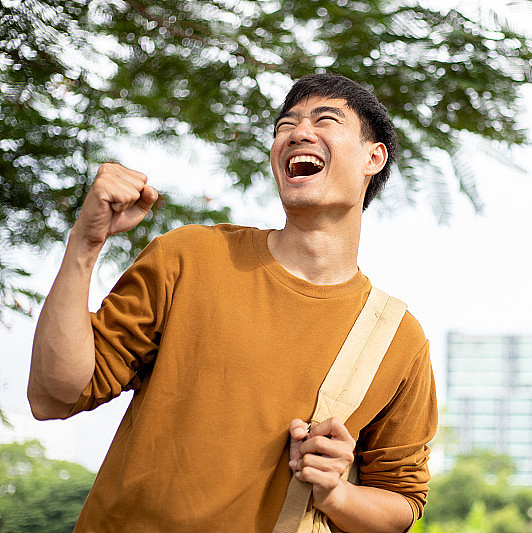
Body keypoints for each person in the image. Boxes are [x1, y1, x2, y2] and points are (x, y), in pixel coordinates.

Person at [28, 73, 438, 532]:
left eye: (326, 120)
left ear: (373, 157)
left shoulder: (395, 337)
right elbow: (55, 394)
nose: (299, 133)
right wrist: (85, 242)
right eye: (286, 126)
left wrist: (335, 492)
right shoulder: (189, 257)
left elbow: (401, 505)